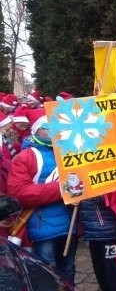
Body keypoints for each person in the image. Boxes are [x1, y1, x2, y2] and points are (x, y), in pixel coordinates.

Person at [7, 107, 77, 281]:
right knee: (48, 275)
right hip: (43, 228)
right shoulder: (26, 157)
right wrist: (62, 189)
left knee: (68, 271)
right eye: (47, 127)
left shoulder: (67, 153)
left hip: (70, 225)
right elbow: (20, 193)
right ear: (36, 130)